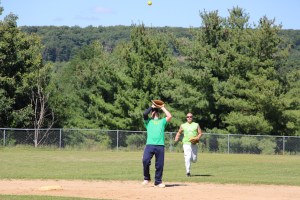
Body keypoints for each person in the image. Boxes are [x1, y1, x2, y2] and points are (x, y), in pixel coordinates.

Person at [142, 103, 172, 188]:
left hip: (160, 145)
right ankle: (146, 178)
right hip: (149, 145)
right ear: (151, 113)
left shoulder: (162, 121)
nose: (155, 112)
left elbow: (169, 116)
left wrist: (162, 107)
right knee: (145, 160)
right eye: (153, 111)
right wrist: (152, 107)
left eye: (156, 111)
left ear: (159, 113)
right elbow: (144, 114)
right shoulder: (148, 122)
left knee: (159, 165)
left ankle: (158, 182)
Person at [174, 112, 202, 177]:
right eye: (188, 117)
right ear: (186, 118)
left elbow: (200, 133)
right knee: (187, 157)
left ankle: (192, 159)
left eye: (190, 117)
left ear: (192, 117)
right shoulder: (183, 125)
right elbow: (179, 132)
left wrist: (197, 138)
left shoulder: (196, 124)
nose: (189, 118)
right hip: (186, 143)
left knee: (194, 159)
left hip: (194, 144)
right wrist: (176, 137)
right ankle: (188, 172)